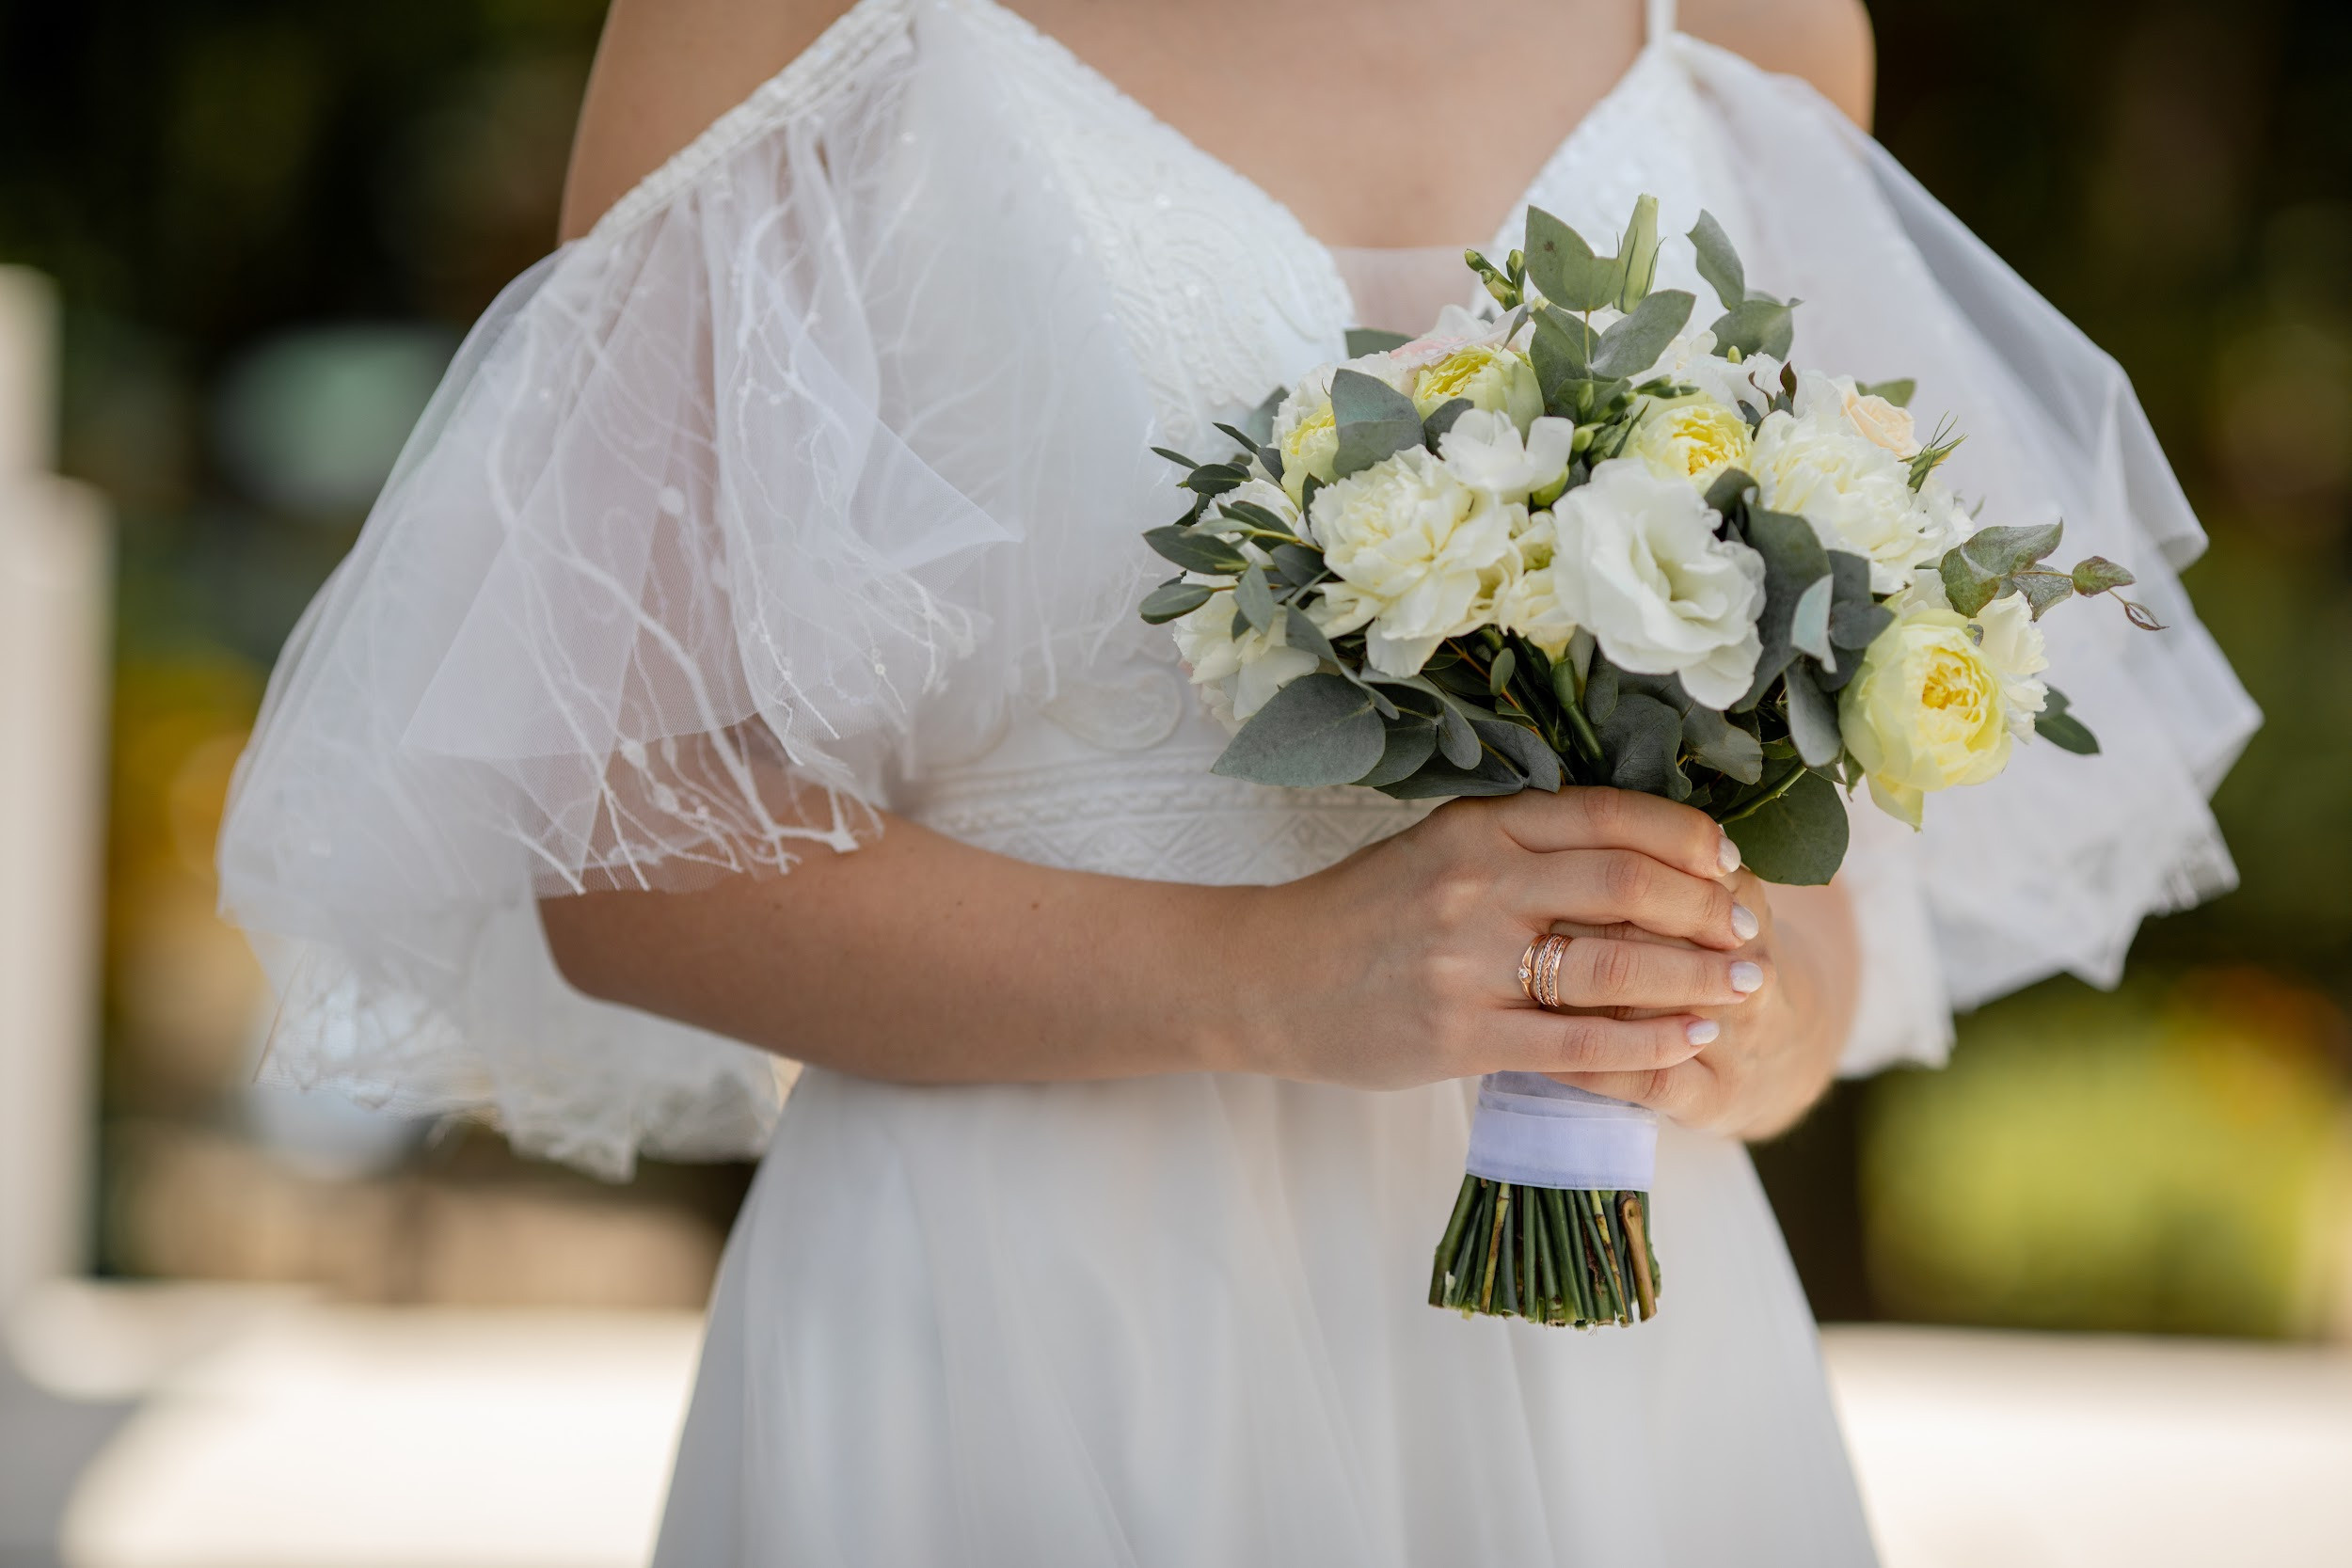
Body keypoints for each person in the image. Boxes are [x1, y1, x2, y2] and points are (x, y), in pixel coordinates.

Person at [216, 0, 2257, 1561]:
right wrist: (1274, 976)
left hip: (1616, 1358)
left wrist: (1717, 1007)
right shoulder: (789, 24)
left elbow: (1797, 911)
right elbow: (617, 837)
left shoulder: (1747, 27)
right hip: (1011, 1320)